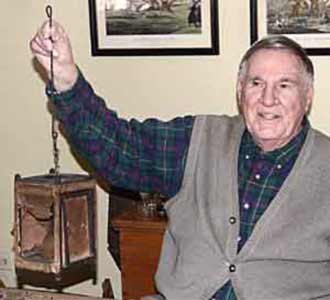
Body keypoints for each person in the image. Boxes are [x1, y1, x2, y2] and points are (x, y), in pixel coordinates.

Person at [30, 20, 330, 300]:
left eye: (285, 85)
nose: (268, 99)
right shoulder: (197, 139)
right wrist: (68, 81)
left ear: (307, 97)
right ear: (240, 92)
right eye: (256, 83)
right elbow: (119, 148)